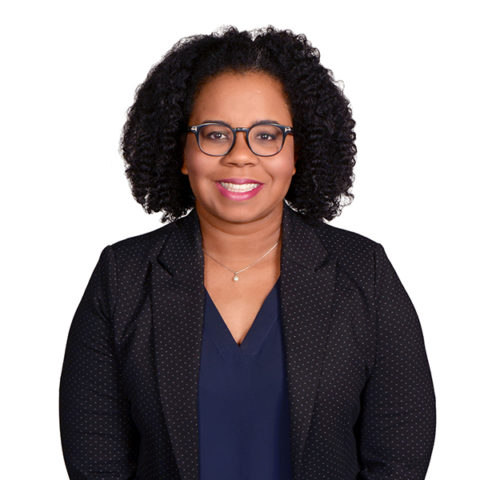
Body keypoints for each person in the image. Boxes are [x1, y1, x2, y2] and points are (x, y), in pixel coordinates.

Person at [59, 26, 436, 480]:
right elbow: (97, 462)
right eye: (215, 134)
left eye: (267, 135)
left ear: (298, 152)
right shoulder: (122, 277)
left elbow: (399, 457)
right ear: (182, 151)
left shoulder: (363, 272)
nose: (240, 155)